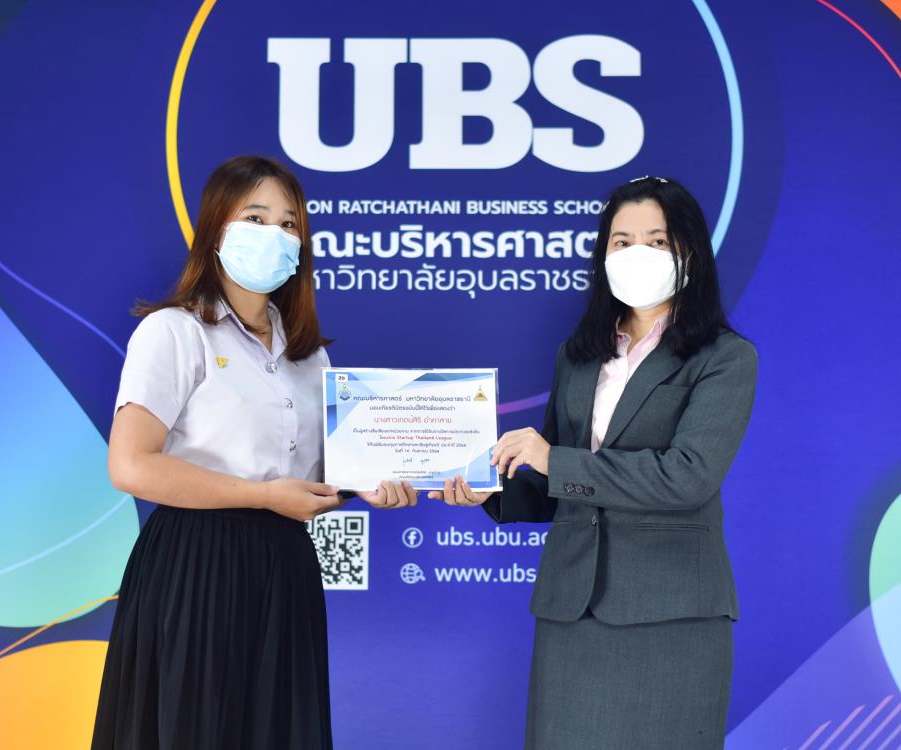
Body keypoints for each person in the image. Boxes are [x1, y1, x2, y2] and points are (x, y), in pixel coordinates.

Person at [91, 155, 416, 750]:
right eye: (256, 217)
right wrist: (264, 496)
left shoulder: (308, 355)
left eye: (289, 224)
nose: (275, 234)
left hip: (284, 566)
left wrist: (367, 484)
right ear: (217, 228)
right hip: (196, 564)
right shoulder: (175, 331)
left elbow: (312, 476)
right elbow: (130, 465)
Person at [430, 176, 757, 749]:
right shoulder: (577, 357)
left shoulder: (725, 358)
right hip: (572, 610)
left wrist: (554, 460)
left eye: (658, 240)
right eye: (621, 241)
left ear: (690, 252)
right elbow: (559, 484)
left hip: (670, 613)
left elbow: (687, 477)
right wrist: (491, 492)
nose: (637, 254)